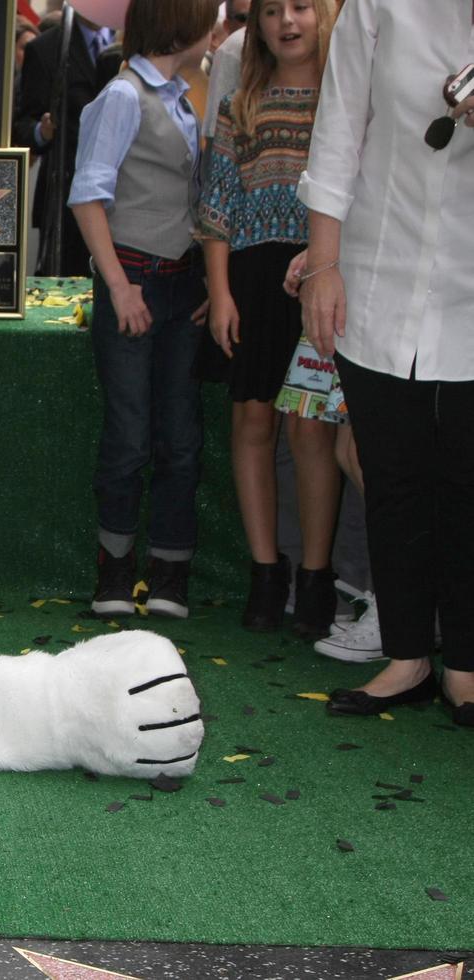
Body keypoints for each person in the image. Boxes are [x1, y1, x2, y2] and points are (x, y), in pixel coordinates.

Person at [297, 0, 474, 721]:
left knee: (467, 481)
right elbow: (337, 133)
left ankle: (465, 666)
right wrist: (323, 266)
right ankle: (406, 658)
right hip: (376, 269)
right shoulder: (378, 4)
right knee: (391, 473)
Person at [196, 0, 341, 638]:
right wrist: (221, 292)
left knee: (310, 431)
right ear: (255, 26)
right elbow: (218, 205)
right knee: (253, 421)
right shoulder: (240, 104)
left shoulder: (346, 104)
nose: (288, 21)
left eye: (301, 7)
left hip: (323, 276)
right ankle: (265, 571)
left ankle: (315, 575)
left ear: (325, 15)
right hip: (253, 278)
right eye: (273, 10)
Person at [69, 0, 217, 620]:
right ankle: (115, 566)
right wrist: (120, 286)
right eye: (211, 18)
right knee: (131, 436)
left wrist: (210, 278)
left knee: (180, 437)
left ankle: (170, 572)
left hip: (182, 284)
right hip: (135, 279)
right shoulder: (124, 96)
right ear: (185, 26)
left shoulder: (183, 95)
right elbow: (86, 196)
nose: (217, 28)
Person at [13, 13, 117, 275]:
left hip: (123, 196)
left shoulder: (133, 42)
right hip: (66, 198)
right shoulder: (47, 48)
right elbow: (23, 126)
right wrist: (43, 131)